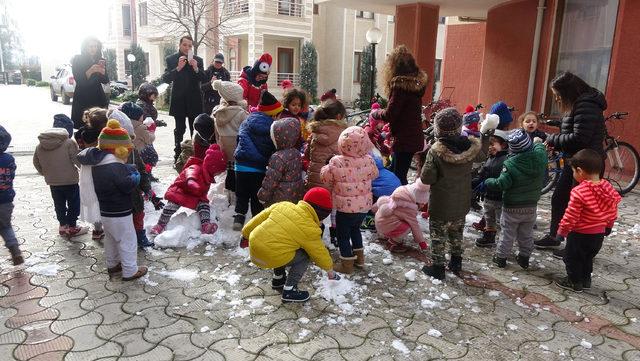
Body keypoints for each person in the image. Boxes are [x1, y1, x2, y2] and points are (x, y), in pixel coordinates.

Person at [420, 108, 498, 280]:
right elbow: (481, 157)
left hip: (441, 204)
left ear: (438, 129)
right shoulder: (470, 146)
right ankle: (456, 262)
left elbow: (427, 178)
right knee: (456, 233)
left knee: (438, 236)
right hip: (461, 202)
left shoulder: (435, 151)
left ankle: (438, 267)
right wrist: (485, 136)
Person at [535, 72, 607, 253]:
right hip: (575, 161)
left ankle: (575, 248)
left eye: (558, 94)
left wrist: (552, 140)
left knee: (580, 207)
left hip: (587, 165)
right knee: (559, 198)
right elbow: (572, 128)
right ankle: (555, 236)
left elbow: (580, 137)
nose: (557, 98)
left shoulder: (586, 104)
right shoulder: (577, 104)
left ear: (568, 91)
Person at [243, 187, 341, 303]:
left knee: (282, 244)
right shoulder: (310, 229)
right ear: (321, 215)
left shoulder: (284, 205)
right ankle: (290, 290)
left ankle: (278, 279)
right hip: (269, 257)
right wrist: (330, 271)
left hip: (254, 250)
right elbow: (319, 253)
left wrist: (245, 235)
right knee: (305, 256)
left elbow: (257, 219)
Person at [84, 120, 147, 281]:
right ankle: (130, 270)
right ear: (119, 149)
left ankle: (113, 265)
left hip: (105, 211)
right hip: (120, 211)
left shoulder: (98, 164)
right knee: (127, 239)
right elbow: (126, 186)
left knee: (111, 239)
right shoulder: (115, 167)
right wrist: (135, 176)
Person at [554, 149, 621, 292]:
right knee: (587, 257)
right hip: (598, 235)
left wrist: (562, 232)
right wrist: (609, 226)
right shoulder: (608, 187)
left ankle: (574, 281)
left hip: (580, 233)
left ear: (580, 171)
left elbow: (571, 215)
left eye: (573, 171)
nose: (573, 174)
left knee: (572, 258)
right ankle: (586, 280)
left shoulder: (579, 192)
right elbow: (613, 209)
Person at [482, 129, 548, 269]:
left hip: (511, 207)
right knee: (526, 234)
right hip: (531, 206)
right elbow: (540, 147)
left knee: (507, 234)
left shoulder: (510, 164)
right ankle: (524, 256)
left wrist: (488, 181)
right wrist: (537, 142)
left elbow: (502, 184)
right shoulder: (540, 157)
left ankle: (500, 257)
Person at [321, 126, 378, 274]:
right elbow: (375, 174)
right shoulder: (369, 160)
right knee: (355, 230)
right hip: (363, 207)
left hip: (345, 208)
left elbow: (325, 178)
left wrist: (326, 168)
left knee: (343, 235)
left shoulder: (337, 161)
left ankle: (347, 265)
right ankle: (360, 260)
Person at [371, 45, 428, 185]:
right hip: (413, 137)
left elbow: (390, 114)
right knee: (395, 170)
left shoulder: (400, 87)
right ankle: (396, 200)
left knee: (398, 176)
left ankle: (400, 203)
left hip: (404, 139)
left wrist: (375, 113)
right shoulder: (415, 86)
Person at [151, 144, 226, 236]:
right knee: (171, 207)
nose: (217, 174)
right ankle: (159, 225)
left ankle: (206, 225)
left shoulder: (208, 176)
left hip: (195, 196)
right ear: (212, 167)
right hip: (181, 191)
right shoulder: (196, 167)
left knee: (204, 206)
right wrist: (191, 181)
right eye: (217, 172)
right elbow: (190, 172)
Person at [232, 91, 282, 230]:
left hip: (240, 166)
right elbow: (274, 147)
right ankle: (256, 221)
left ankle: (239, 217)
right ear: (273, 114)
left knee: (241, 194)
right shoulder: (273, 127)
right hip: (258, 168)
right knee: (256, 196)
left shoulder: (247, 121)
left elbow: (239, 139)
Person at [33, 115, 86, 237]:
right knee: (73, 203)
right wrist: (83, 171)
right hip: (70, 181)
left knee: (59, 204)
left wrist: (45, 173)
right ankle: (72, 226)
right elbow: (76, 160)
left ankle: (62, 226)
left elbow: (36, 162)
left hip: (53, 181)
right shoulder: (69, 143)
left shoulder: (40, 145)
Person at [305, 100, 348, 245]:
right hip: (335, 179)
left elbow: (308, 155)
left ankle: (315, 236)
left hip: (316, 178)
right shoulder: (344, 134)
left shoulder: (315, 133)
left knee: (317, 209)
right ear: (338, 117)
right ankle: (335, 234)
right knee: (334, 207)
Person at [162, 36, 208, 161]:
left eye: (189, 46)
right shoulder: (171, 59)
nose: (187, 48)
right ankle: (177, 155)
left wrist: (196, 68)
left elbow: (204, 78)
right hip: (179, 100)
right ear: (180, 45)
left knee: (196, 128)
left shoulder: (198, 60)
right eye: (185, 45)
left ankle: (197, 155)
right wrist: (178, 68)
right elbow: (165, 78)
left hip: (194, 100)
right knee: (180, 128)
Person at [212, 80, 248, 201]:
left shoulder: (218, 113)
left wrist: (219, 143)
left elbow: (216, 133)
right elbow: (246, 130)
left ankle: (229, 194)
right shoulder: (241, 113)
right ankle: (237, 196)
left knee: (229, 172)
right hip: (237, 146)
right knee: (237, 172)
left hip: (224, 146)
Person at [75, 109, 108, 240]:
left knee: (93, 198)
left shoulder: (81, 133)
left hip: (86, 168)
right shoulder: (103, 135)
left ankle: (97, 229)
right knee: (101, 198)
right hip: (101, 166)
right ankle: (105, 228)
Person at [257, 118, 305, 207]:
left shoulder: (278, 157)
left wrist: (262, 196)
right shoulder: (296, 153)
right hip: (294, 196)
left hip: (279, 199)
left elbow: (271, 180)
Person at [374, 179, 429, 254]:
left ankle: (385, 235)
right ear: (417, 199)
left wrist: (422, 213)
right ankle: (392, 242)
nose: (423, 205)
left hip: (380, 221)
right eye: (422, 203)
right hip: (385, 226)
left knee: (401, 222)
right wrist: (422, 243)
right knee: (408, 227)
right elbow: (415, 225)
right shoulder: (408, 207)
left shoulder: (402, 193)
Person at [473, 130, 509, 247]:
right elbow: (483, 173)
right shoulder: (490, 158)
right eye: (489, 144)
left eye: (493, 144)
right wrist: (476, 181)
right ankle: (489, 236)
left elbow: (504, 179)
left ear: (503, 145)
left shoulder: (506, 160)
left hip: (500, 197)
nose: (490, 147)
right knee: (489, 216)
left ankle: (505, 240)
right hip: (488, 195)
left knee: (501, 220)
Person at [70, 37, 109, 129]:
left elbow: (105, 80)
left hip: (98, 96)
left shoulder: (100, 60)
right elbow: (79, 80)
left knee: (99, 124)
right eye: (90, 46)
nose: (93, 49)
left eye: (95, 46)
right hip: (83, 96)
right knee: (83, 126)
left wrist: (103, 73)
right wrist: (91, 70)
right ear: (85, 47)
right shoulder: (78, 59)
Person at [0, 126, 23, 265]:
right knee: (6, 226)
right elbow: (12, 175)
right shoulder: (9, 159)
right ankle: (15, 251)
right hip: (5, 200)